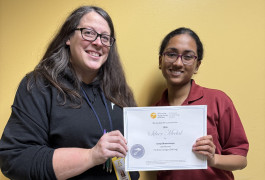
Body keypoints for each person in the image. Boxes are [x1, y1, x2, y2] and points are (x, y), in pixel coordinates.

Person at [0, 6, 139, 180]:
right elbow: (15, 159)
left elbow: (137, 156)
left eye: (105, 37)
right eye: (88, 32)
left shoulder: (120, 92)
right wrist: (92, 156)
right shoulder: (39, 85)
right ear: (68, 37)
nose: (98, 42)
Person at [155, 27, 249, 180]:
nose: (178, 63)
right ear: (161, 61)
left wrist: (213, 159)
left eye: (187, 57)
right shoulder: (153, 112)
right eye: (171, 54)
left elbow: (241, 159)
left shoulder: (218, 100)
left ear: (197, 65)